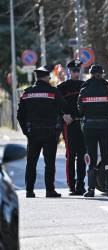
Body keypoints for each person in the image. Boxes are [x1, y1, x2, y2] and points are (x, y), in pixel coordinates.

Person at [17, 66, 71, 198]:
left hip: (33, 133)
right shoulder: (53, 92)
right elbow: (65, 107)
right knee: (49, 163)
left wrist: (26, 131)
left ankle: (29, 191)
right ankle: (49, 190)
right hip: (50, 133)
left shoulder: (27, 92)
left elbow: (20, 115)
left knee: (31, 163)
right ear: (46, 77)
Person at [78, 64, 108, 197]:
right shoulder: (107, 89)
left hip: (90, 127)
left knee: (91, 158)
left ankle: (91, 189)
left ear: (90, 74)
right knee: (107, 158)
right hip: (105, 126)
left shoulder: (85, 89)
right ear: (102, 74)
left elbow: (80, 110)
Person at [57, 59, 86, 195]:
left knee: (82, 155)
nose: (76, 73)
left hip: (81, 123)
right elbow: (56, 104)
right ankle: (71, 185)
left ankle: (81, 184)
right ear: (69, 71)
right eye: (74, 70)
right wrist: (63, 115)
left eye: (78, 70)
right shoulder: (62, 87)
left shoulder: (85, 86)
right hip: (69, 124)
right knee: (71, 155)